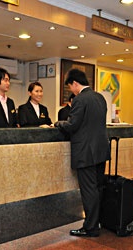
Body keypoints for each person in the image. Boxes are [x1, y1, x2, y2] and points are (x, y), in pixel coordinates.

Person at [54, 69, 110, 237]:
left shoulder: (80, 99)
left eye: (70, 87)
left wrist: (58, 124)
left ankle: (90, 227)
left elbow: (73, 125)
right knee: (98, 188)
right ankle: (96, 222)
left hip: (86, 152)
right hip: (101, 150)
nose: (71, 90)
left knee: (88, 190)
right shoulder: (100, 98)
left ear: (75, 83)